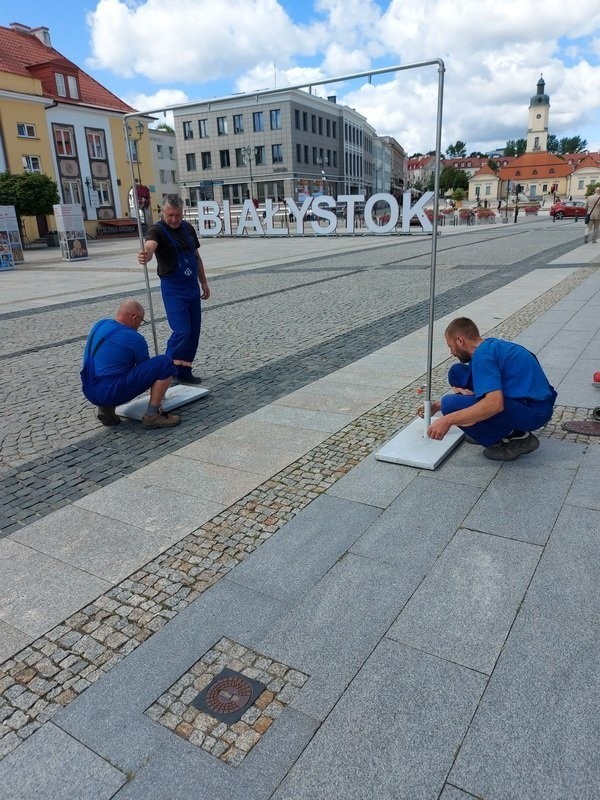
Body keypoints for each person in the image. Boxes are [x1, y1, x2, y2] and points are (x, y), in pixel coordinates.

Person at [418, 317, 557, 461]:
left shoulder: (483, 357)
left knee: (450, 404)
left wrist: (447, 420)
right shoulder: (489, 345)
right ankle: (483, 425)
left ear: (460, 340)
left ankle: (517, 436)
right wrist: (437, 406)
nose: (451, 352)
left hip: (534, 412)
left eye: (450, 346)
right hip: (532, 399)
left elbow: (494, 405)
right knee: (457, 372)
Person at [137, 195, 210, 384]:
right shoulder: (157, 230)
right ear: (163, 211)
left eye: (178, 215)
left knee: (193, 332)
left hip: (192, 287)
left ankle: (184, 370)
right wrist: (147, 254)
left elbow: (196, 256)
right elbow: (150, 244)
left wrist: (203, 282)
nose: (174, 219)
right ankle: (164, 371)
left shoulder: (188, 228)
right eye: (170, 215)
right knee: (182, 331)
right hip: (174, 289)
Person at [81, 298, 180, 428]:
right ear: (134, 317)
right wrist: (157, 398)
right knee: (164, 363)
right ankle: (152, 416)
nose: (140, 325)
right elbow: (147, 373)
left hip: (88, 389)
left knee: (110, 368)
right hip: (110, 392)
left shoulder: (100, 324)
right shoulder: (134, 338)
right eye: (141, 321)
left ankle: (106, 410)